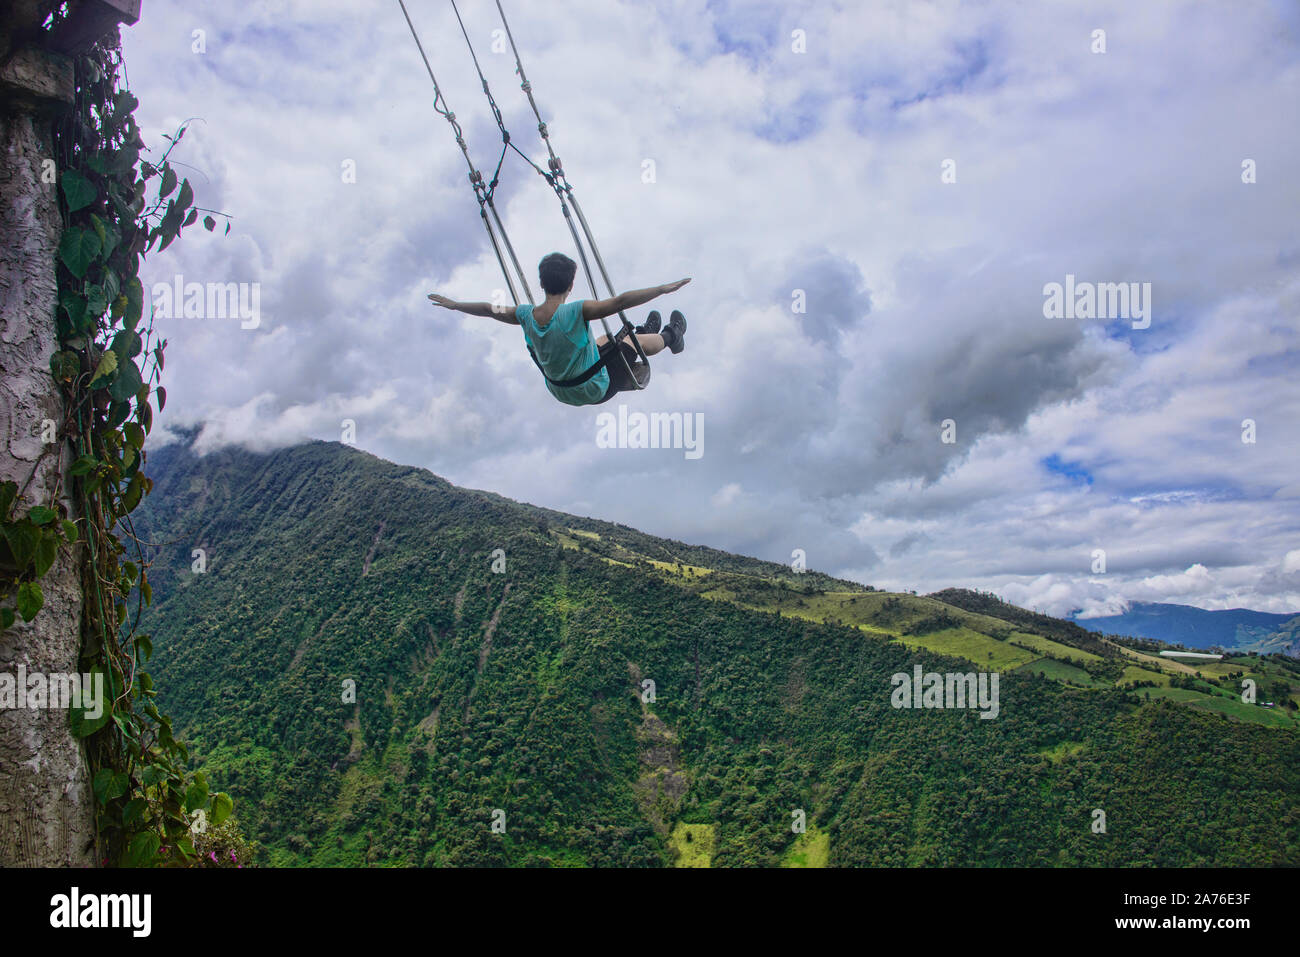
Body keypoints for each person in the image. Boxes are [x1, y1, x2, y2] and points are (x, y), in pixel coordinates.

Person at [428, 252, 690, 406]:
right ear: (571, 286)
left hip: (560, 391)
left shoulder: (525, 315)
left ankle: (644, 329)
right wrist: (661, 289)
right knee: (634, 344)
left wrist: (456, 305)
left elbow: (488, 309)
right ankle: (671, 336)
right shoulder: (578, 310)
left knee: (596, 341)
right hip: (592, 388)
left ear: (541, 284)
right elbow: (621, 301)